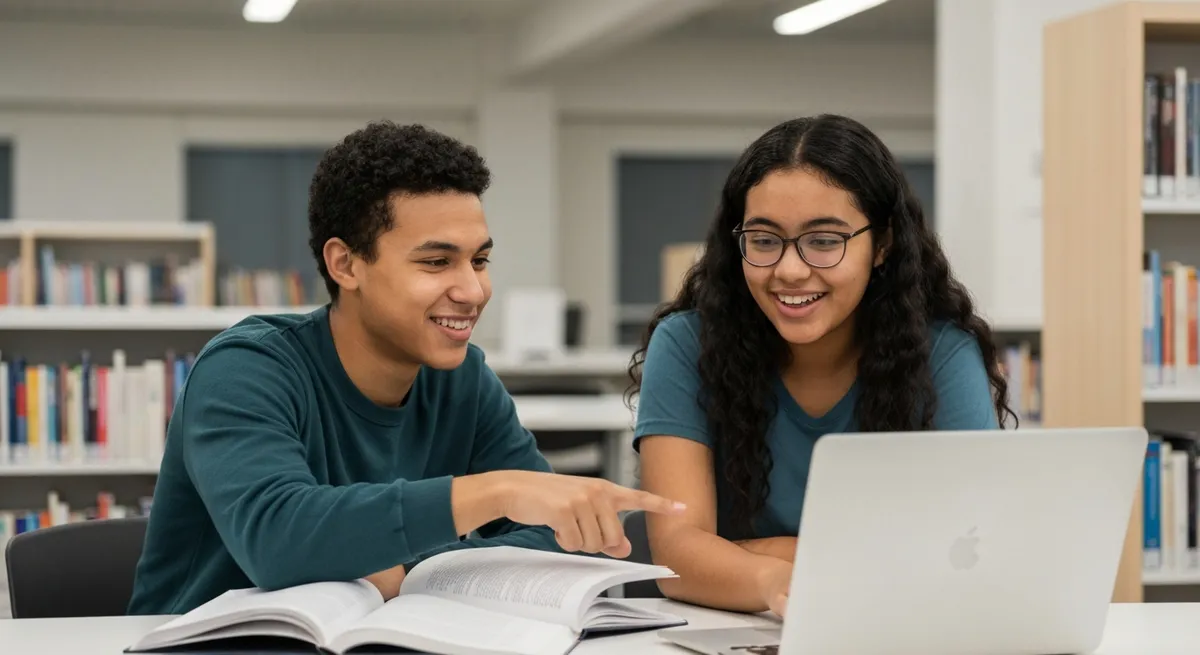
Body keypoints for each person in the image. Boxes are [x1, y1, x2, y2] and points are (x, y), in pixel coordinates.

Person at [127, 121, 683, 615]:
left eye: (481, 260)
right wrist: (497, 492)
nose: (473, 289)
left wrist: (403, 568)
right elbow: (278, 538)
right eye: (437, 262)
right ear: (346, 264)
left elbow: (549, 532)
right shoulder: (246, 368)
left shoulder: (462, 378)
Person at [627, 114, 1016, 617]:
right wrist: (786, 581)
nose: (790, 270)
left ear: (883, 244)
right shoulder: (686, 343)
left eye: (825, 241)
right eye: (764, 240)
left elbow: (968, 550)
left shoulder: (941, 352)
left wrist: (741, 555)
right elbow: (678, 555)